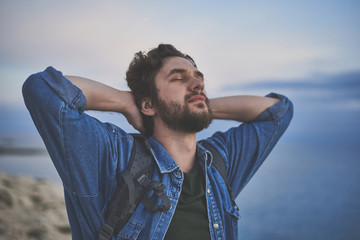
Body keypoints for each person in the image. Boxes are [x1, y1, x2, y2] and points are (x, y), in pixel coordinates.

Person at [22, 44, 293, 240]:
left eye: (199, 79)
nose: (197, 84)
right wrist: (127, 103)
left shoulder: (218, 164)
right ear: (148, 104)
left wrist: (200, 104)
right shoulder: (115, 158)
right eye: (179, 78)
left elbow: (279, 112)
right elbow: (43, 90)